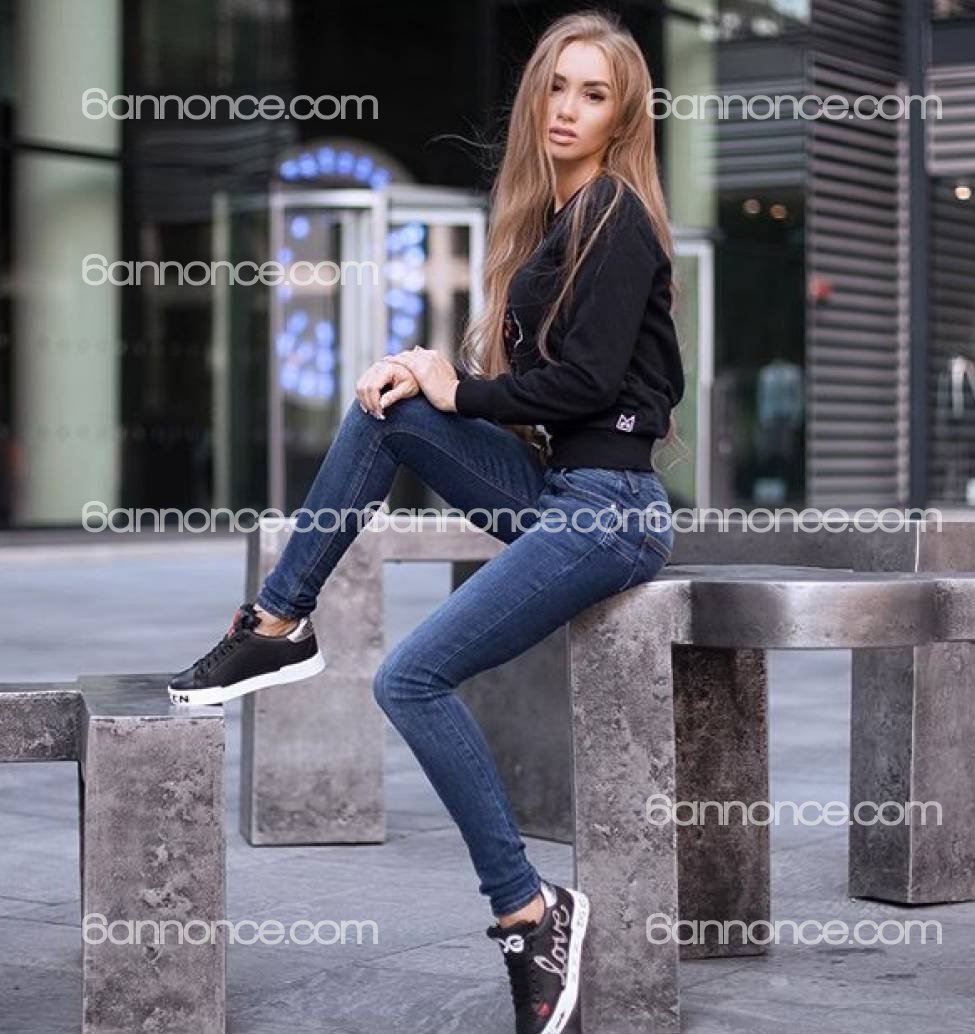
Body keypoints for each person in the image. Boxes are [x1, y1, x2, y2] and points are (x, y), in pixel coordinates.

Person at [168, 10, 685, 1033]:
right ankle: (279, 621)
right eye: (556, 87)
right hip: (561, 493)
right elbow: (538, 394)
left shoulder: (615, 216)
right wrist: (427, 377)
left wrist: (464, 388)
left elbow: (586, 384)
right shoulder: (553, 225)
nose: (568, 109)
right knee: (388, 404)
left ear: (623, 116)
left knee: (409, 678)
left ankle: (529, 913)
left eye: (593, 94)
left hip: (614, 510)